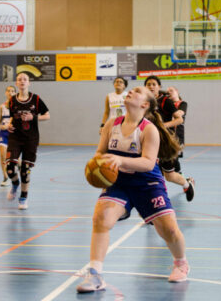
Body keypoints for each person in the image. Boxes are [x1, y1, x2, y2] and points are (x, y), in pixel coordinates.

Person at [76, 86, 189, 293]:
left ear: (145, 104)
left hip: (148, 183)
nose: (131, 91)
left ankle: (181, 263)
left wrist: (120, 160)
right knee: (101, 218)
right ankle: (95, 273)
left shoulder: (149, 129)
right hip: (119, 183)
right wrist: (97, 166)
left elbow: (147, 163)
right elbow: (100, 152)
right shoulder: (112, 124)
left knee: (170, 230)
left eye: (137, 91)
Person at [144, 76, 195, 202]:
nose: (151, 86)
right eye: (148, 84)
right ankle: (155, 199)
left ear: (159, 87)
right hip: (149, 141)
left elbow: (179, 119)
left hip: (164, 142)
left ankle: (187, 184)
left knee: (170, 175)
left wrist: (162, 126)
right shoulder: (143, 101)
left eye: (154, 84)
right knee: (148, 171)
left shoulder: (165, 101)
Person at [5, 72, 50, 210]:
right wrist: (9, 125)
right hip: (15, 138)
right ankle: (15, 184)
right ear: (16, 83)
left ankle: (23, 197)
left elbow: (47, 115)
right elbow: (11, 117)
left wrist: (33, 117)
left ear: (29, 83)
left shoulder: (36, 99)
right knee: (10, 169)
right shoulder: (12, 101)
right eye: (19, 79)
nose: (22, 81)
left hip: (31, 139)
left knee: (25, 170)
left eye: (25, 79)